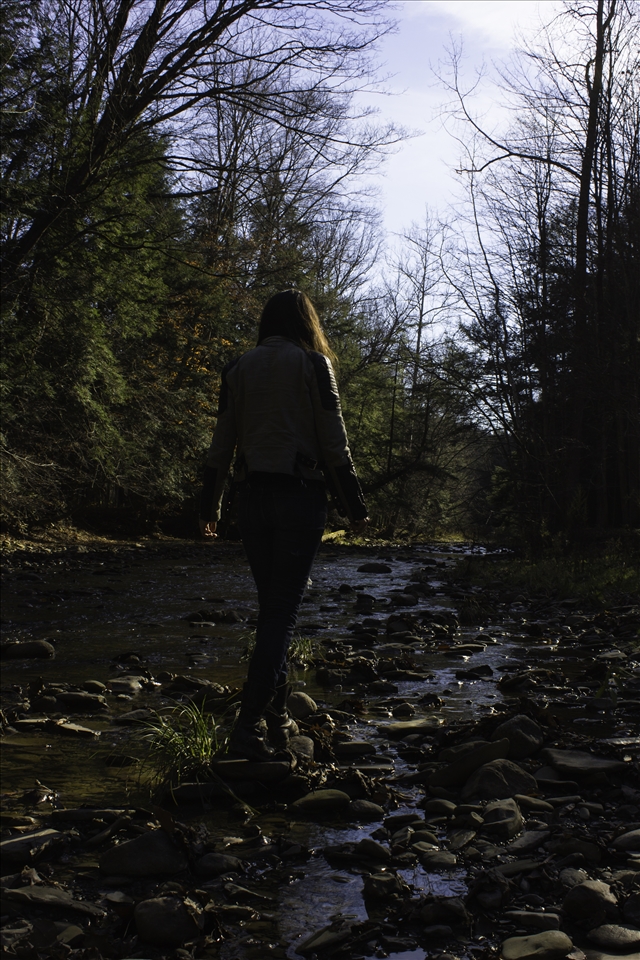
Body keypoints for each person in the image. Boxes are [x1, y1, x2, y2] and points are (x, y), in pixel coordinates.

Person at [199, 290, 369, 761]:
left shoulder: (237, 369)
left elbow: (221, 447)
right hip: (300, 498)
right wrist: (355, 505)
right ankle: (248, 725)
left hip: (250, 502)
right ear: (305, 322)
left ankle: (277, 718)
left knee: (271, 609)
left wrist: (208, 508)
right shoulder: (315, 366)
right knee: (280, 613)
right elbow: (335, 444)